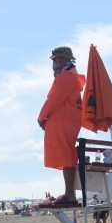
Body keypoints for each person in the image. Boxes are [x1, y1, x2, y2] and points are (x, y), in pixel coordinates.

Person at [37, 46, 85, 206]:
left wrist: (41, 117)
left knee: (66, 154)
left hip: (65, 120)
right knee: (66, 155)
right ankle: (69, 193)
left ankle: (69, 194)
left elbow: (54, 100)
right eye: (54, 60)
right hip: (67, 120)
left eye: (57, 60)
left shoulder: (66, 76)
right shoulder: (70, 75)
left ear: (65, 60)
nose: (55, 64)